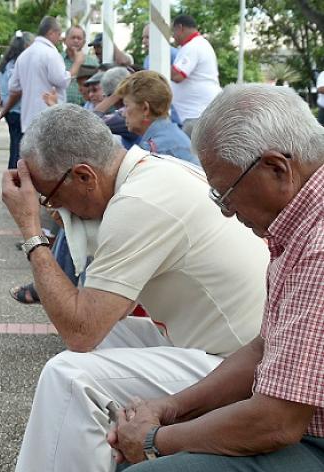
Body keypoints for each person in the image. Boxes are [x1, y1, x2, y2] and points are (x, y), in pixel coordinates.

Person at [1, 103, 269, 472]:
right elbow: (96, 324)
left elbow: (81, 329)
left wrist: (31, 231)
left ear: (84, 177)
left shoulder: (139, 202)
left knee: (69, 377)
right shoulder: (154, 173)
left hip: (235, 368)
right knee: (103, 345)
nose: (55, 211)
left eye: (51, 198)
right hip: (230, 347)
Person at [112, 83, 324, 472]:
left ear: (277, 168)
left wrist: (153, 440)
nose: (226, 212)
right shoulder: (300, 221)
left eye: (225, 194)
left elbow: (278, 421)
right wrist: (172, 406)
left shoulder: (317, 246)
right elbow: (265, 348)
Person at [0, 16, 80, 133]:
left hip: (28, 121)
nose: (60, 38)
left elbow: (13, 87)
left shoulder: (24, 56)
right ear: (51, 33)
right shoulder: (51, 53)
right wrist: (77, 63)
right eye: (59, 34)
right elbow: (62, 80)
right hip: (49, 120)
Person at [116, 70, 198, 164]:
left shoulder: (154, 151)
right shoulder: (171, 137)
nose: (123, 113)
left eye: (126, 105)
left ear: (145, 109)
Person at [170, 15, 221, 137]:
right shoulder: (197, 44)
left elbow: (177, 75)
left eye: (173, 31)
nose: (173, 36)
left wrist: (159, 66)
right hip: (196, 113)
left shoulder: (193, 46)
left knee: (191, 155)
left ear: (180, 28)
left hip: (195, 115)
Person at [0, 31, 34, 169]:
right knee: (19, 152)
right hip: (18, 111)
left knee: (15, 147)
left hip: (11, 112)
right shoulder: (19, 65)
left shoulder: (5, 65)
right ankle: (15, 179)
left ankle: (12, 176)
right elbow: (17, 91)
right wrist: (5, 108)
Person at [63, 25, 99, 106]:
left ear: (84, 42)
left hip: (87, 109)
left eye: (79, 38)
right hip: (64, 108)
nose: (76, 41)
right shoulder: (58, 61)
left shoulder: (93, 63)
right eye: (73, 37)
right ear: (65, 40)